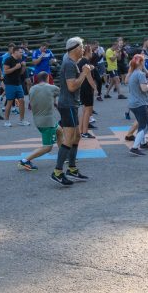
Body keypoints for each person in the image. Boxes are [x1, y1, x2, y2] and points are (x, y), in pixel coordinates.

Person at [51, 37, 95, 185]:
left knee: (76, 137)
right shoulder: (69, 64)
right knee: (69, 138)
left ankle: (72, 169)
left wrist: (84, 71)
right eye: (82, 47)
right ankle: (57, 172)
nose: (83, 50)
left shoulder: (72, 64)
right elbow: (71, 87)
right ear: (75, 48)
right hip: (67, 105)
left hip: (71, 104)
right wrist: (84, 73)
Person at [19, 73, 61, 171]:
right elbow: (62, 95)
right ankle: (24, 161)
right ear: (47, 78)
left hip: (38, 120)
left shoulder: (32, 89)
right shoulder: (52, 87)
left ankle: (64, 155)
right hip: (48, 122)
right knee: (47, 147)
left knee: (60, 131)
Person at [1, 46, 29, 127]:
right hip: (9, 83)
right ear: (15, 52)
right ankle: (6, 121)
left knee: (22, 100)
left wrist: (23, 66)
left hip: (18, 83)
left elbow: (20, 73)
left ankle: (22, 120)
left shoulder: (19, 60)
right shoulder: (8, 59)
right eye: (20, 52)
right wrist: (15, 67)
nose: (22, 53)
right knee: (9, 102)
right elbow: (6, 71)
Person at [78, 43, 99, 139]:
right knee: (88, 111)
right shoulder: (85, 62)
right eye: (91, 51)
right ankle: (84, 132)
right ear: (87, 52)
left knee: (85, 110)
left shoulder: (82, 61)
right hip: (86, 87)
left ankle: (81, 131)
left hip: (82, 87)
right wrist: (95, 88)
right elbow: (89, 77)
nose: (92, 53)